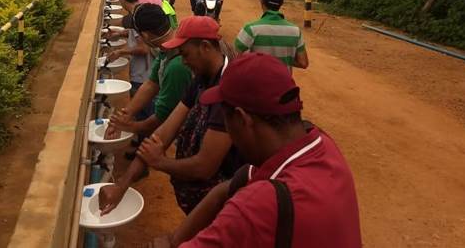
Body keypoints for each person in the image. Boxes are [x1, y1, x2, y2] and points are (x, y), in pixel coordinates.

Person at [154, 53, 362, 248]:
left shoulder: (258, 205)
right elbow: (224, 189)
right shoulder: (320, 143)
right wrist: (174, 240)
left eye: (225, 120)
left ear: (242, 119)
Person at [101, 16, 242, 216]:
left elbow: (204, 167)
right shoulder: (201, 79)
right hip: (198, 198)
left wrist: (160, 162)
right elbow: (164, 132)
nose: (183, 61)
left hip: (221, 205)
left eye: (185, 54)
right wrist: (121, 185)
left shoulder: (228, 91)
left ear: (205, 47)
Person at [106, 4, 193, 143]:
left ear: (145, 35)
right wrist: (126, 115)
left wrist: (129, 127)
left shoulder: (176, 66)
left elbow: (163, 116)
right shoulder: (167, 49)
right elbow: (151, 84)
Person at [235, 0, 309, 71]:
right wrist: (281, 60)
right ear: (281, 3)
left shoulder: (251, 29)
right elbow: (303, 63)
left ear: (261, 0)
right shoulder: (295, 31)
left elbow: (235, 57)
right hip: (283, 79)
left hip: (258, 79)